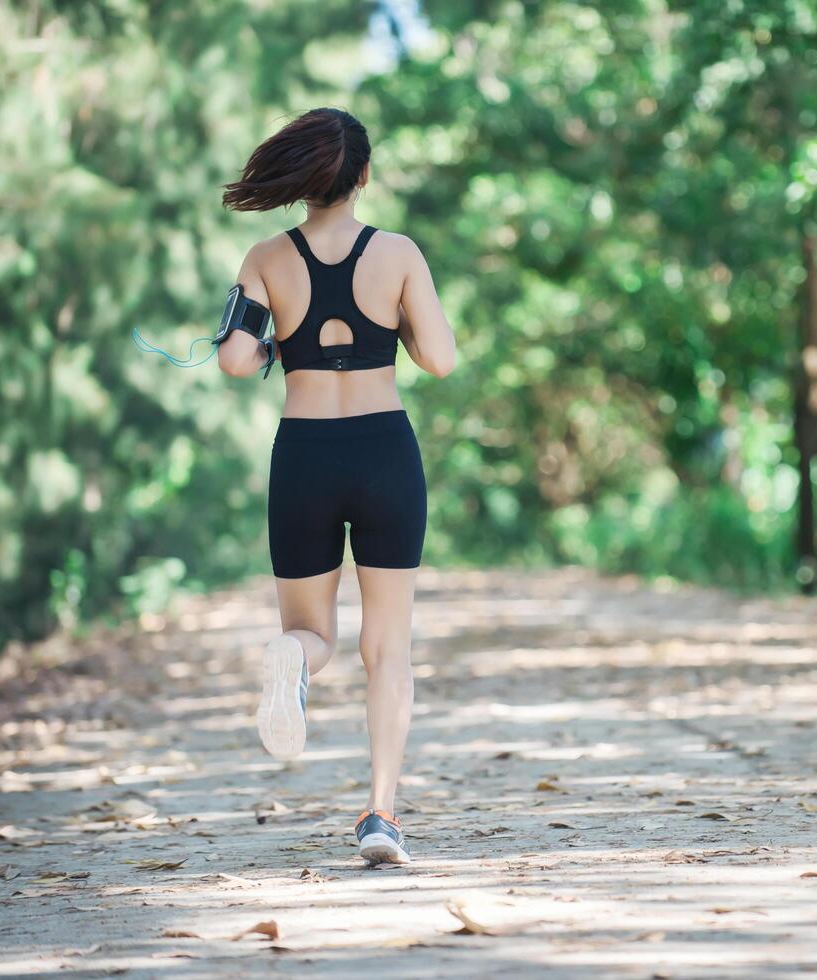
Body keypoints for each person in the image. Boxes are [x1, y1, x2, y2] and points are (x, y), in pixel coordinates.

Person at [216, 107, 456, 866]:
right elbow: (441, 360)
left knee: (314, 634)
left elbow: (233, 359)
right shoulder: (399, 254)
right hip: (384, 451)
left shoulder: (265, 257)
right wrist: (403, 328)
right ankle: (380, 814)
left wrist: (264, 347)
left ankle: (290, 658)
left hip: (305, 456)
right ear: (362, 178)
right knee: (387, 649)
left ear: (301, 180)